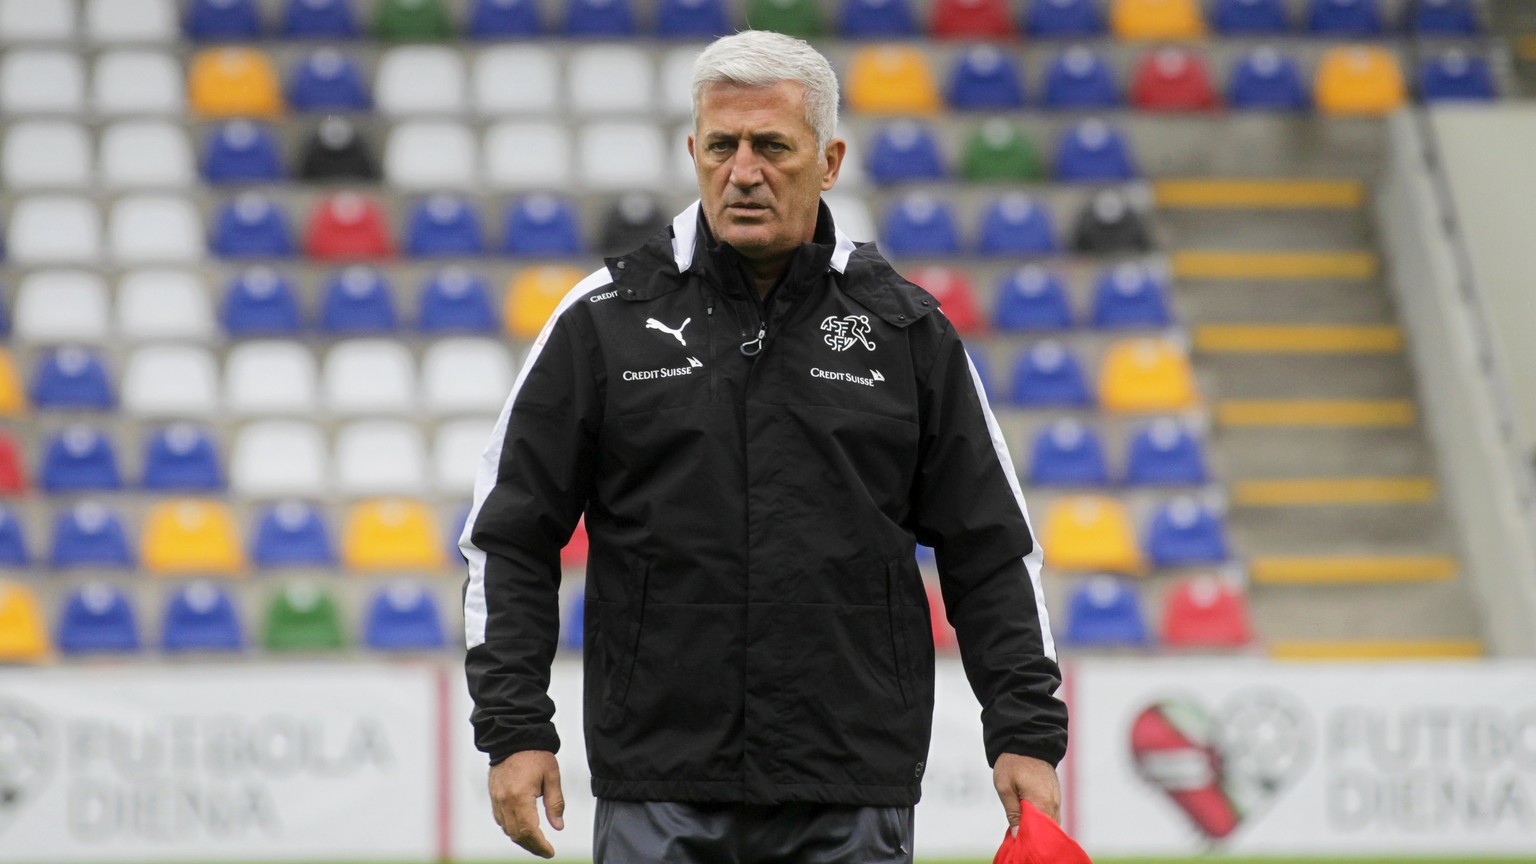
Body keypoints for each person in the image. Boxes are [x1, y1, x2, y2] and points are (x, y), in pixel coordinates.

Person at [461, 30, 1067, 863]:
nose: (743, 171)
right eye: (722, 146)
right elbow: (509, 538)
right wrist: (514, 728)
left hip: (850, 788)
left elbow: (991, 551)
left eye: (772, 146)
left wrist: (1026, 729)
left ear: (829, 161)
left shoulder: (905, 331)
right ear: (694, 151)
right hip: (659, 787)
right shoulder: (603, 321)